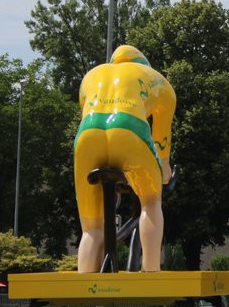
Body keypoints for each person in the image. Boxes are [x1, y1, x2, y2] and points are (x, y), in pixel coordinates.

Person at [74, 45, 176, 272]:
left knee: (91, 227)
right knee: (150, 201)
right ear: (143, 65)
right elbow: (161, 139)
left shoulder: (91, 76)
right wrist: (164, 173)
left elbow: (86, 109)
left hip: (87, 135)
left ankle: (85, 284)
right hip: (129, 128)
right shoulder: (159, 81)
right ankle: (151, 270)